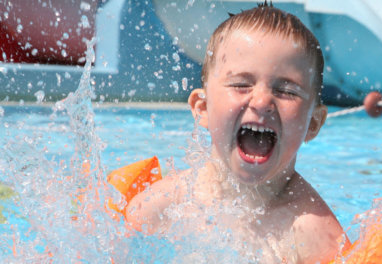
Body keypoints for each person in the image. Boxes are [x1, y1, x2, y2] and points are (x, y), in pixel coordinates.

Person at [125, 3, 348, 263]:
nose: (262, 101)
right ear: (203, 108)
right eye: (242, 84)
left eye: (287, 91)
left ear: (313, 123)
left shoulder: (315, 235)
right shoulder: (160, 208)